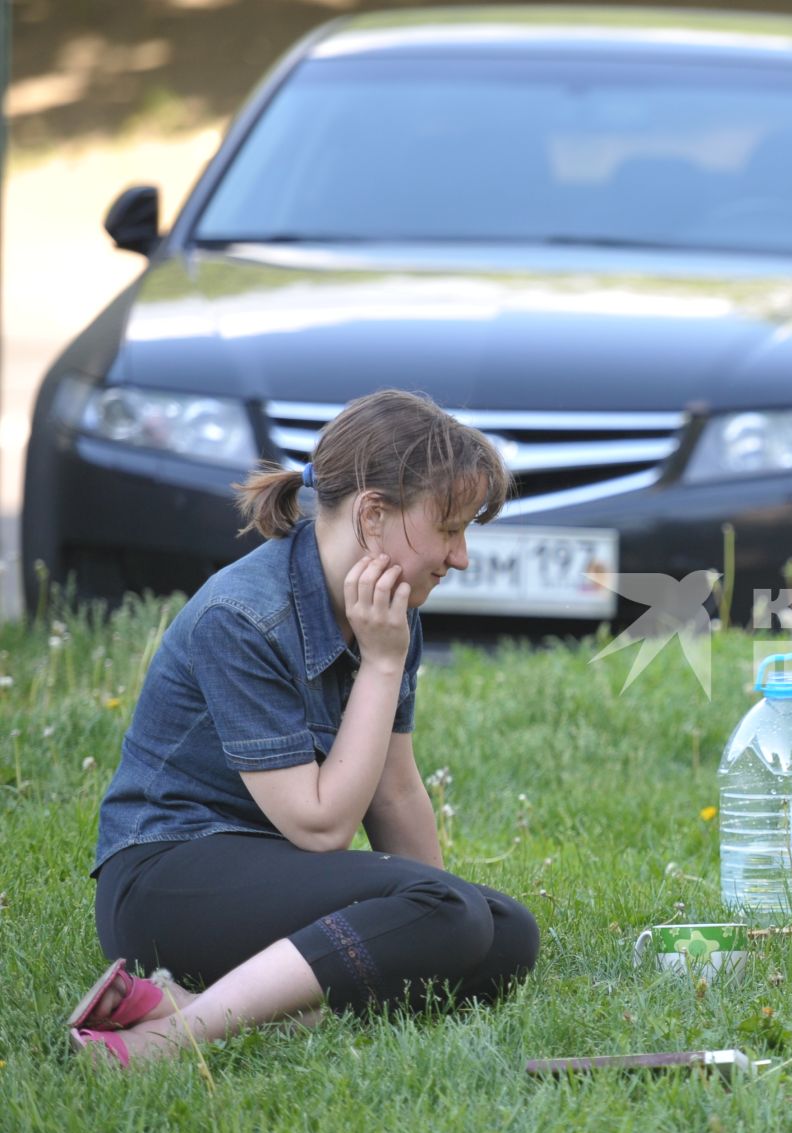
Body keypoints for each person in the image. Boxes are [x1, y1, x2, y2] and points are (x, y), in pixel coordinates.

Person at [70, 390, 539, 1065]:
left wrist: (442, 913)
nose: (461, 555)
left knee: (504, 932)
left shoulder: (389, 606)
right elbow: (319, 828)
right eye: (450, 527)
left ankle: (276, 1015)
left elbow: (396, 791)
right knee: (449, 911)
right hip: (166, 881)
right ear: (374, 514)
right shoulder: (241, 615)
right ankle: (166, 1040)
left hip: (274, 873)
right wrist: (380, 665)